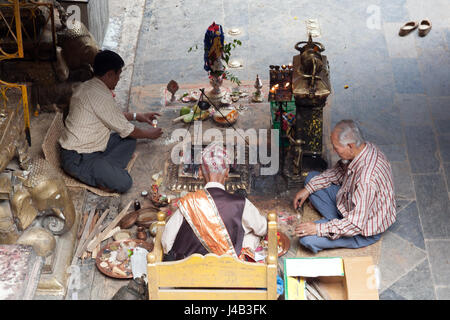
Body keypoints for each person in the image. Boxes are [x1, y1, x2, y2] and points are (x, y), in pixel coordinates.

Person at [59, 50, 163, 193]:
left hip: (92, 146)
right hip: (78, 158)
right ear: (109, 74)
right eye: (118, 75)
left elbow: (112, 116)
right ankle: (104, 175)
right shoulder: (100, 96)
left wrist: (138, 116)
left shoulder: (88, 86)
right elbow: (127, 128)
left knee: (129, 139)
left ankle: (105, 170)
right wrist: (149, 134)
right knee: (125, 182)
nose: (118, 79)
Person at [292, 119, 396, 253]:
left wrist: (318, 229)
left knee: (306, 239)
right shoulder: (363, 148)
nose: (334, 151)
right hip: (349, 204)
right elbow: (337, 173)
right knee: (311, 178)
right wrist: (307, 190)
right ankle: (336, 224)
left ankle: (336, 226)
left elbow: (355, 224)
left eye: (336, 148)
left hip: (360, 230)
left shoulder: (366, 180)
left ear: (350, 146)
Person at [162, 142, 267, 261]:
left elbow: (166, 243)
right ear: (227, 173)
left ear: (200, 173)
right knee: (252, 234)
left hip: (189, 272)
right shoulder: (241, 204)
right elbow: (262, 228)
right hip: (228, 272)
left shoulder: (188, 203)